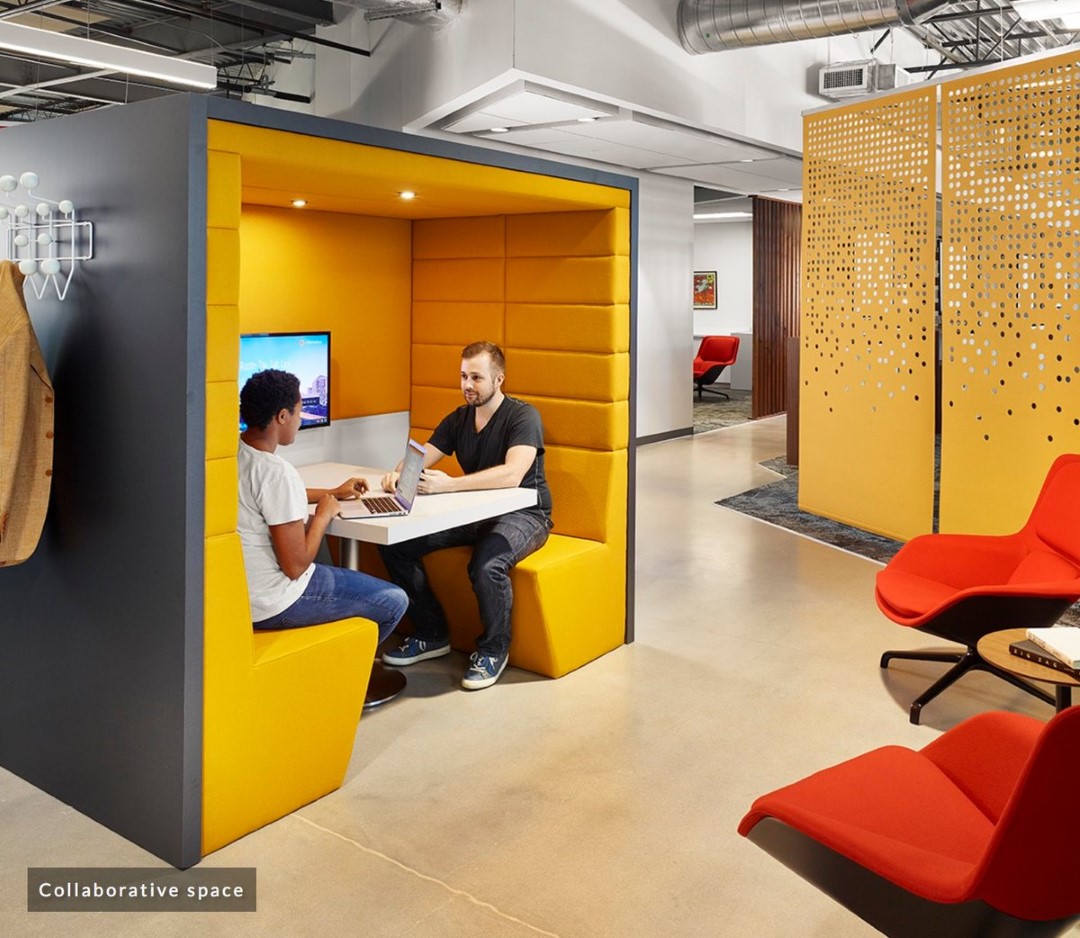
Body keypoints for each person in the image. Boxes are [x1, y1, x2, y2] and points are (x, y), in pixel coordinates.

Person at [378, 341, 552, 690]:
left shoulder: (523, 416)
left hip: (526, 514)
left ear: (499, 379)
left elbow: (512, 474)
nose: (467, 385)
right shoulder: (458, 418)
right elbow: (420, 457)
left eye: (476, 377)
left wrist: (449, 486)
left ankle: (493, 650)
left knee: (486, 565)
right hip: (477, 514)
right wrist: (399, 474)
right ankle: (432, 633)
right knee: (397, 545)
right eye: (463, 376)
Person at [237, 368, 408, 644]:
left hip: (244, 596)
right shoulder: (278, 473)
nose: (300, 419)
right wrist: (323, 516)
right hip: (277, 601)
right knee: (394, 602)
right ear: (282, 416)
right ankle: (347, 679)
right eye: (298, 410)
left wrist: (332, 493)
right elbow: (295, 566)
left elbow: (272, 498)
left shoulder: (235, 455)